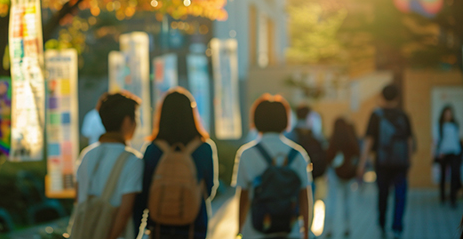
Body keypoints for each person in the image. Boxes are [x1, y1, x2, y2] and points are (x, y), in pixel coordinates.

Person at [134, 87, 218, 239]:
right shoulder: (204, 148)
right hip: (195, 226)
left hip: (159, 227)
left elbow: (143, 194)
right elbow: (209, 190)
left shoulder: (153, 149)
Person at [233, 94, 312, 239]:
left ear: (256, 120)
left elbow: (243, 197)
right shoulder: (298, 154)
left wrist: (239, 230)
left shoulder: (246, 154)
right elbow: (304, 197)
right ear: (285, 119)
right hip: (290, 230)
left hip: (256, 230)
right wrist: (306, 232)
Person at [75, 91, 143, 239]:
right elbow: (125, 211)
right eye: (136, 118)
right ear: (127, 121)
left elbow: (78, 197)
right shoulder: (133, 161)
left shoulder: (86, 154)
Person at [357, 84, 413, 239]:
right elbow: (409, 141)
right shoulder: (404, 115)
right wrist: (408, 161)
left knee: (382, 195)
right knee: (400, 195)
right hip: (401, 163)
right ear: (397, 98)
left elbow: (368, 140)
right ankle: (397, 228)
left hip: (382, 163)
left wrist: (362, 164)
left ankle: (382, 225)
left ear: (382, 97)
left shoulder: (376, 115)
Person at [324, 117, 360, 237]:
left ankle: (329, 228)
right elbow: (357, 155)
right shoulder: (351, 141)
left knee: (332, 200)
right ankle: (347, 226)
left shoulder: (332, 141)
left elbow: (328, 158)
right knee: (347, 201)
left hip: (335, 175)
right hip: (349, 175)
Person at [434, 105, 461, 207]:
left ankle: (453, 199)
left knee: (454, 176)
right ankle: (442, 197)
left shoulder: (455, 125)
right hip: (443, 153)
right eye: (446, 114)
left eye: (449, 114)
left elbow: (457, 139)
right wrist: (437, 152)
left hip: (454, 152)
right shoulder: (439, 125)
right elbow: (436, 140)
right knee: (443, 176)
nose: (448, 116)